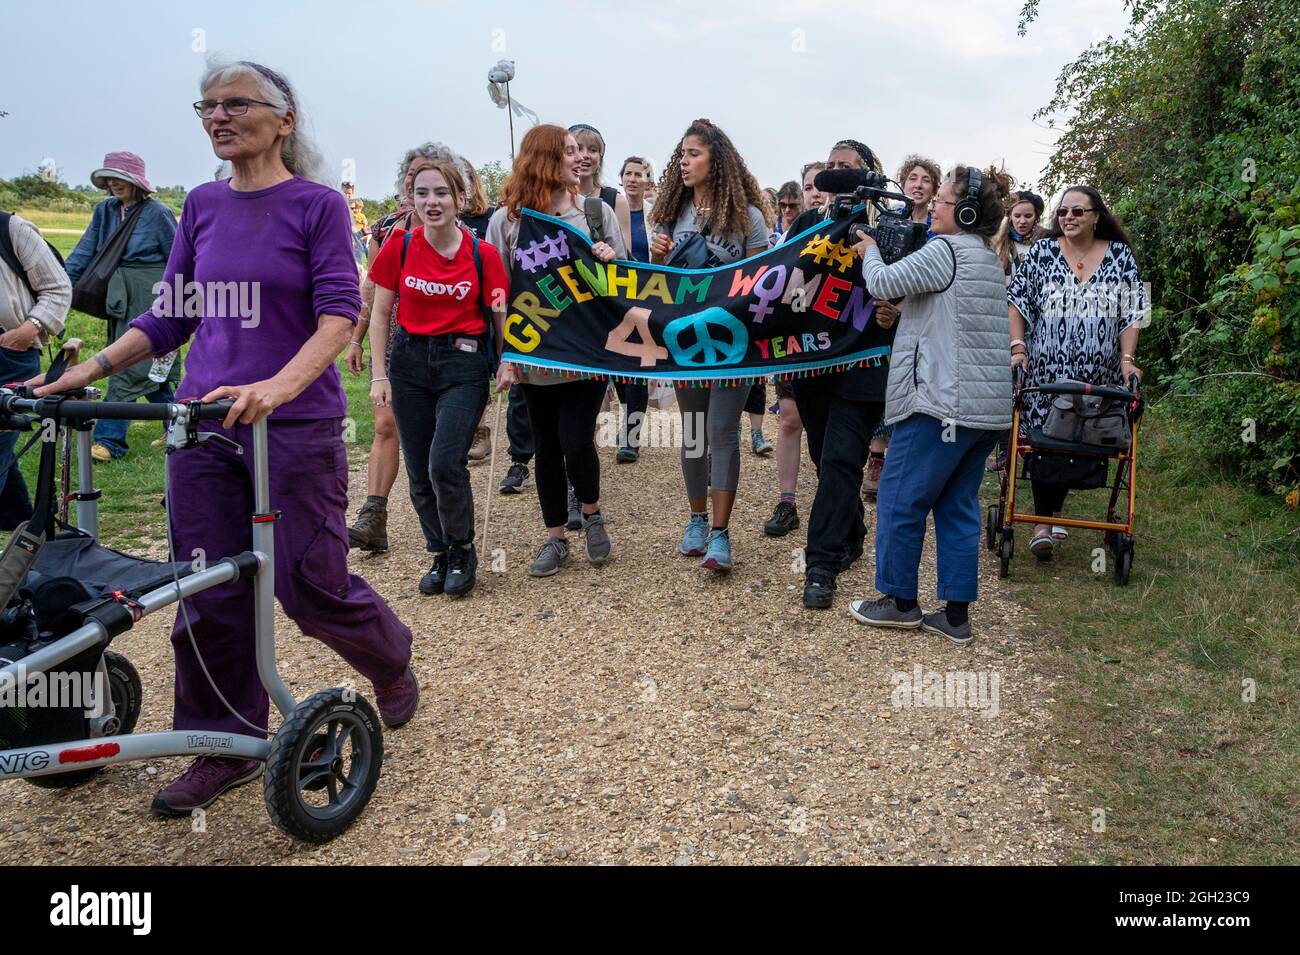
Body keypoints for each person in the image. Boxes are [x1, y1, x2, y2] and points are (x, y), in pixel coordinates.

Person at [33, 57, 416, 815]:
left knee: (311, 585)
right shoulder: (202, 205)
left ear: (284, 118)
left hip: (292, 428)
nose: (218, 115)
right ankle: (221, 744)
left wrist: (277, 386)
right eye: (207, 105)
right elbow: (169, 315)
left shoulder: (316, 206)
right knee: (206, 586)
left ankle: (391, 657)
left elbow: (339, 317)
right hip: (200, 427)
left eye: (237, 103)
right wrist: (96, 368)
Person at [848, 164, 1014, 644]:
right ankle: (956, 616)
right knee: (957, 507)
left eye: (940, 200)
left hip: (940, 405)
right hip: (983, 412)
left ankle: (899, 602)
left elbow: (882, 282)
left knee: (901, 500)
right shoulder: (985, 257)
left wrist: (871, 249)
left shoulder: (947, 251)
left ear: (962, 211)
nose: (934, 207)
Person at [486, 123, 625, 577]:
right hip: (535, 352)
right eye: (567, 152)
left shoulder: (596, 213)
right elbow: (499, 292)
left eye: (579, 151)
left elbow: (626, 280)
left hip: (584, 351)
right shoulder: (508, 220)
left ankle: (592, 511)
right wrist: (507, 353)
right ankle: (555, 538)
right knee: (544, 445)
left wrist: (608, 258)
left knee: (575, 439)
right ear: (545, 159)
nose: (577, 159)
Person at [368, 159, 509, 598]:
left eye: (442, 193)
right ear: (412, 199)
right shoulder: (400, 247)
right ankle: (441, 551)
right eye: (423, 193)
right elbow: (379, 312)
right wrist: (378, 374)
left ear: (460, 200)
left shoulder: (483, 255)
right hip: (409, 362)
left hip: (463, 364)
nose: (432, 202)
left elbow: (501, 314)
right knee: (417, 468)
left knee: (444, 461)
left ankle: (463, 548)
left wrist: (507, 360)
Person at [649, 118, 769, 572]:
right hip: (685, 342)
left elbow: (765, 280)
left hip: (733, 343)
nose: (684, 163)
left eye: (693, 154)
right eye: (681, 155)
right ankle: (696, 519)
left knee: (722, 431)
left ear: (715, 160)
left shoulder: (748, 218)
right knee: (694, 432)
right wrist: (657, 255)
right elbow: (653, 284)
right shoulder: (669, 215)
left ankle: (721, 534)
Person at [781, 139, 895, 608]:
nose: (836, 174)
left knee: (841, 460)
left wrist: (895, 310)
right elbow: (777, 281)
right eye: (830, 167)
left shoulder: (888, 228)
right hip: (813, 362)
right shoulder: (807, 224)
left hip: (864, 364)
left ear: (868, 173)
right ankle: (851, 529)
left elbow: (909, 286)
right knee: (824, 457)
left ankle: (820, 566)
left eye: (846, 167)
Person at [1008, 185, 1145, 559]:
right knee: (1047, 439)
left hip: (1099, 376)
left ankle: (1054, 512)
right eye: (1064, 212)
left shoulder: (1119, 256)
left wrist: (1128, 359)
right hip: (1046, 371)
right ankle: (1042, 520)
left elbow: (1134, 312)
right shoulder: (1042, 253)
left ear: (1096, 216)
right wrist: (1018, 348)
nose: (1069, 217)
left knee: (1081, 439)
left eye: (1078, 212)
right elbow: (1017, 301)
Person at [347, 144, 461, 552]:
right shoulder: (385, 229)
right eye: (413, 178)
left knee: (434, 444)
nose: (421, 185)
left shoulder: (463, 234)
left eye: (430, 179)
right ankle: (374, 514)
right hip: (393, 341)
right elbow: (371, 289)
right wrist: (357, 339)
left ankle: (449, 529)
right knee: (384, 425)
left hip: (446, 351)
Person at [64, 152, 181, 462]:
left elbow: (178, 260)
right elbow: (85, 250)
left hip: (150, 293)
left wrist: (174, 303)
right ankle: (175, 423)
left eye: (120, 177)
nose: (114, 183)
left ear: (135, 182)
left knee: (130, 365)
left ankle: (110, 441)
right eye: (109, 178)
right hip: (120, 295)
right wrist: (58, 290)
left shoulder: (157, 213)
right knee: (145, 365)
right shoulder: (104, 211)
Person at [861, 154, 943, 497]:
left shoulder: (939, 231)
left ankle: (906, 461)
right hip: (881, 310)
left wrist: (900, 310)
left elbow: (934, 282)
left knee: (913, 385)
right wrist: (885, 307)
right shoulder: (887, 219)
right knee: (883, 381)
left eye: (926, 180)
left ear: (934, 188)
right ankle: (876, 457)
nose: (918, 185)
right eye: (913, 178)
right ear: (903, 183)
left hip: (918, 315)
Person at [0, 210, 71, 529]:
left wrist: (29, 329)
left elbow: (57, 288)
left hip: (10, 355)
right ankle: (26, 533)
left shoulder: (11, 229)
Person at [988, 188, 1046, 472]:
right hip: (1002, 322)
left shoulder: (1046, 244)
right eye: (1017, 216)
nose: (1022, 221)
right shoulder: (998, 245)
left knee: (1029, 386)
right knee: (1005, 386)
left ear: (1036, 218)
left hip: (1036, 325)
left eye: (1028, 216)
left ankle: (1032, 444)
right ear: (1008, 217)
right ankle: (1004, 451)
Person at [613, 155, 653, 462]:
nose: (633, 178)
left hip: (649, 295)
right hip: (615, 295)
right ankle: (629, 411)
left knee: (639, 363)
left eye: (639, 174)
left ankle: (631, 434)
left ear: (646, 180)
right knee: (617, 363)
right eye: (628, 173)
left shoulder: (654, 214)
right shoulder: (611, 210)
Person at [570, 124, 632, 253]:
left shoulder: (617, 201)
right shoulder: (554, 199)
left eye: (592, 150)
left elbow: (624, 257)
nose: (584, 155)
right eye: (578, 149)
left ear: (600, 157)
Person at [770, 180, 802, 245]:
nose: (787, 210)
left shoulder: (807, 223)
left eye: (792, 205)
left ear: (801, 203)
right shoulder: (773, 223)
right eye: (783, 205)